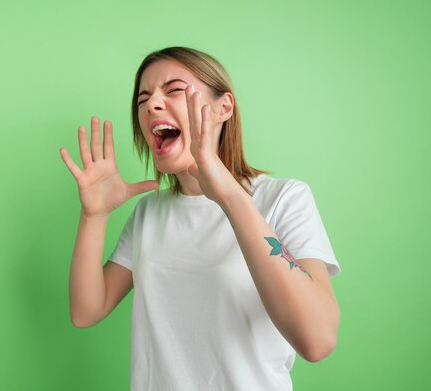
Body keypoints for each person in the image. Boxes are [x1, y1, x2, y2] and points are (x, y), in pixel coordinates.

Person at [59, 46, 341, 391]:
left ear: (224, 108)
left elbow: (318, 340)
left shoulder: (284, 198)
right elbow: (87, 311)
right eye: (142, 100)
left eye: (174, 89)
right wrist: (94, 215)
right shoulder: (150, 213)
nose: (151, 105)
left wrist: (226, 193)